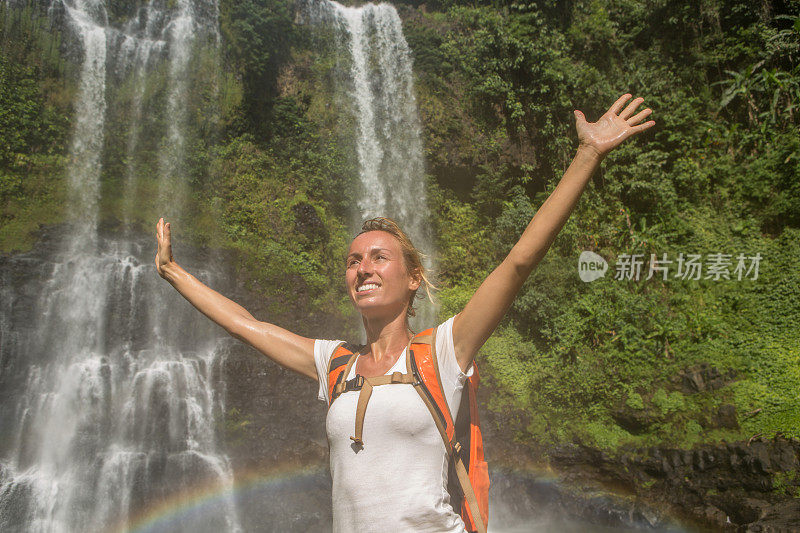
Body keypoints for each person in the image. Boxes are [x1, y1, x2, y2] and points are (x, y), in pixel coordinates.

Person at [155, 93, 655, 532]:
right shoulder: (335, 363)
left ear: (413, 277)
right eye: (353, 261)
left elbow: (519, 262)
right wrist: (175, 272)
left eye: (379, 257)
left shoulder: (444, 350)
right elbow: (250, 326)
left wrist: (587, 154)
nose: (363, 268)